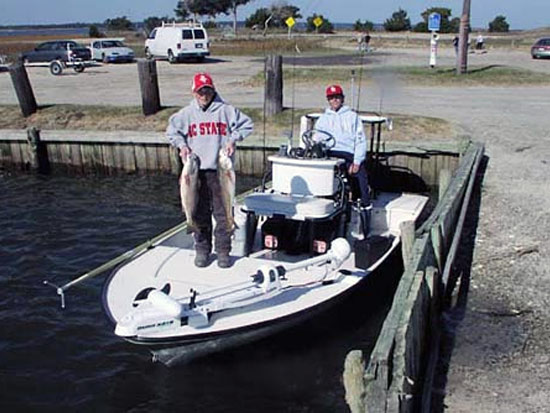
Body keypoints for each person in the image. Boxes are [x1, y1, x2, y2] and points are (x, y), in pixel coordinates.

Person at [166, 72, 254, 268]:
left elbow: (248, 125)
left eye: (207, 90)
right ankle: (202, 249)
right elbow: (172, 132)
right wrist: (182, 145)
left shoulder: (227, 111)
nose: (204, 95)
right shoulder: (186, 114)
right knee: (198, 212)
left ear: (213, 90)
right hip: (196, 172)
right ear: (194, 92)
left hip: (220, 172)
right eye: (200, 91)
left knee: (223, 214)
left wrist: (233, 139)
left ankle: (223, 251)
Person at [314, 84, 369, 207]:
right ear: (328, 100)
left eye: (337, 97)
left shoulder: (353, 117)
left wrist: (357, 161)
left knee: (360, 174)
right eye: (331, 97)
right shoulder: (322, 119)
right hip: (330, 154)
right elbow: (317, 138)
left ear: (342, 98)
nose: (335, 100)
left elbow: (360, 141)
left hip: (348, 154)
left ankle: (364, 204)